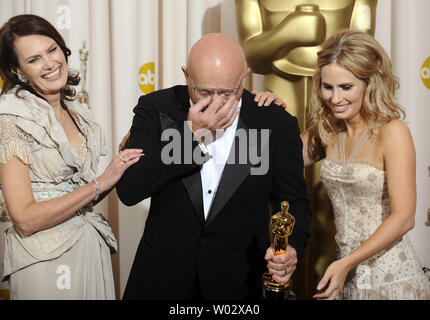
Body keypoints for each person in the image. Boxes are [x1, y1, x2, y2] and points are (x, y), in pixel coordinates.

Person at [116, 33, 312, 300]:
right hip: (162, 281)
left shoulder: (274, 122)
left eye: (227, 92)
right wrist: (191, 135)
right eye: (204, 92)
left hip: (239, 285)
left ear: (245, 78)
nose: (216, 101)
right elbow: (130, 190)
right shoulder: (156, 108)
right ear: (186, 75)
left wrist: (290, 248)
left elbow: (293, 202)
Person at [258, 30, 430, 300]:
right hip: (345, 278)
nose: (335, 99)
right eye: (328, 87)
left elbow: (404, 217)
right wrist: (267, 113)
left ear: (370, 83)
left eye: (346, 87)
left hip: (393, 279)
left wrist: (347, 262)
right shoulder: (326, 130)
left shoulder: (392, 132)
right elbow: (274, 160)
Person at [0, 14, 143, 299]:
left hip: (89, 249)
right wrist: (101, 182)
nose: (51, 63)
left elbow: (79, 196)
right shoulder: (11, 119)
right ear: (17, 70)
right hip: (44, 261)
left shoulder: (77, 113)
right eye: (34, 59)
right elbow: (25, 219)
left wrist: (119, 167)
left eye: (52, 50)